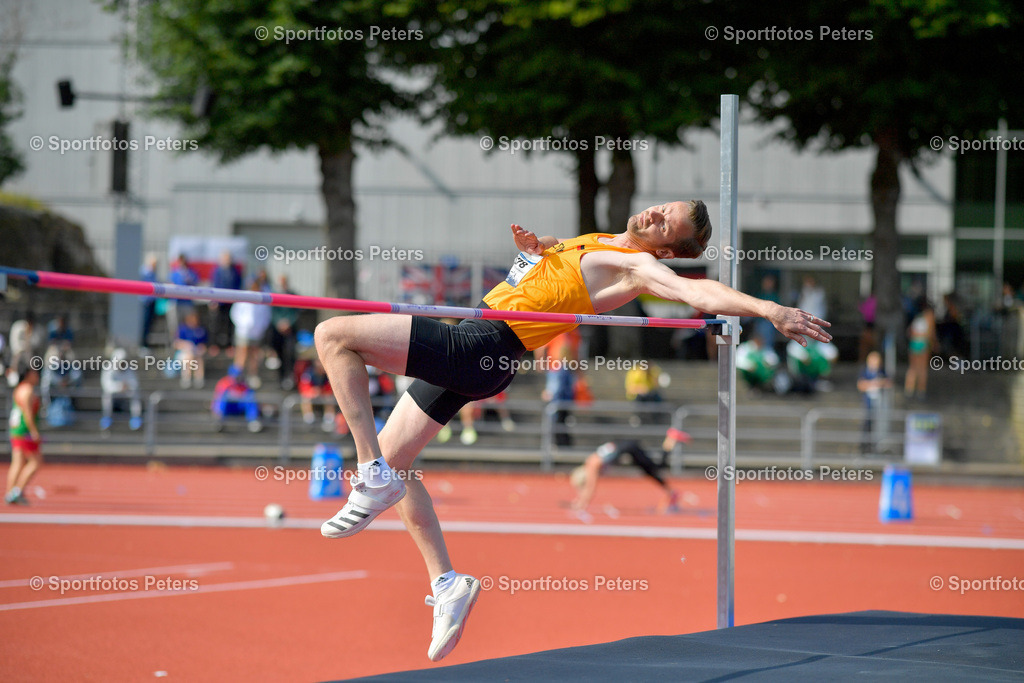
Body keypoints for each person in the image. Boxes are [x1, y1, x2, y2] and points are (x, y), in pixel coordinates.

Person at [312, 200, 831, 661]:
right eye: (661, 208)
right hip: (482, 344)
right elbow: (556, 261)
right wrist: (537, 249)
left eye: (664, 224)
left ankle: (369, 471)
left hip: (482, 344)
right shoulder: (602, 239)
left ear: (665, 250)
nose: (654, 214)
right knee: (397, 464)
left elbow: (698, 291)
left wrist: (769, 309)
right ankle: (447, 582)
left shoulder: (638, 265)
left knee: (333, 335)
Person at [570, 427, 691, 513]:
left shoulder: (592, 466)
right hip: (627, 447)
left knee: (657, 467)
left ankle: (671, 438)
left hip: (629, 448)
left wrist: (582, 504)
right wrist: (579, 499)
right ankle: (670, 492)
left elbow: (591, 487)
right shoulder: (591, 461)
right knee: (650, 471)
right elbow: (587, 486)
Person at [6, 359, 42, 505]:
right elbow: (27, 414)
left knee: (17, 462)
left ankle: (10, 492)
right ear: (28, 374)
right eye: (34, 372)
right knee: (35, 462)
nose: (37, 375)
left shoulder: (19, 389)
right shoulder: (27, 390)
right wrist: (34, 431)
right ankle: (16, 491)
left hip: (16, 429)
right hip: (24, 430)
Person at [230, 279, 272, 388]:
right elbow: (235, 314)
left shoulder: (262, 299)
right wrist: (243, 325)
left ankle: (252, 375)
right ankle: (237, 375)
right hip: (243, 331)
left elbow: (266, 317)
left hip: (256, 332)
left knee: (254, 354)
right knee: (242, 352)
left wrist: (260, 328)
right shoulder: (243, 297)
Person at [268, 275, 299, 390]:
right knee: (279, 353)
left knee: (290, 353)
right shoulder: (274, 295)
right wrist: (279, 323)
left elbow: (296, 312)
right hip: (278, 331)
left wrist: (288, 323)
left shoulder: (293, 295)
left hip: (290, 330)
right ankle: (281, 378)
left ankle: (290, 376)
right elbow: (273, 312)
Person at [100, 348, 143, 431]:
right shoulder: (108, 368)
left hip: (125, 393)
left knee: (135, 394)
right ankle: (106, 417)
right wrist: (119, 387)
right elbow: (106, 385)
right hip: (114, 394)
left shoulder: (129, 369)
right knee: (106, 396)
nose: (122, 364)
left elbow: (135, 384)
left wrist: (127, 387)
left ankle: (135, 417)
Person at [857, 351, 891, 453]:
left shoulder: (881, 372)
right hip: (868, 403)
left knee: (878, 425)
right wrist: (872, 383)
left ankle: (876, 446)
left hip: (879, 403)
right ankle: (864, 446)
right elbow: (860, 385)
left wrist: (880, 383)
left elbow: (888, 382)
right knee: (867, 424)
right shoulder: (864, 372)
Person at [211, 366, 263, 433]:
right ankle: (219, 421)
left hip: (239, 407)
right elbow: (217, 398)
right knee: (224, 397)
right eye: (235, 376)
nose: (237, 378)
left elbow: (249, 395)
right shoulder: (223, 383)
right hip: (228, 408)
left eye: (238, 376)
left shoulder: (244, 383)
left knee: (250, 397)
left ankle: (253, 421)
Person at [209, 251, 242, 352]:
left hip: (231, 302)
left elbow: (237, 285)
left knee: (230, 324)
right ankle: (214, 345)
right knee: (216, 323)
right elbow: (214, 285)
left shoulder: (235, 271)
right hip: (220, 301)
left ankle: (229, 345)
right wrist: (214, 300)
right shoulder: (217, 271)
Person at [904, 299, 936, 399]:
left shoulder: (918, 318)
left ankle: (909, 389)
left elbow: (909, 332)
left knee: (912, 367)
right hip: (922, 343)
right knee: (922, 369)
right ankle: (921, 391)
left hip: (914, 343)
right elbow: (931, 333)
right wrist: (933, 344)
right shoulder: (929, 317)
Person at [175, 309, 208, 388]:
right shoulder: (182, 329)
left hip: (196, 353)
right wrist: (186, 345)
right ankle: (186, 378)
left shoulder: (201, 330)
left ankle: (199, 379)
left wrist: (201, 349)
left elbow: (204, 345)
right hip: (183, 353)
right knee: (189, 357)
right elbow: (176, 344)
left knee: (198, 358)